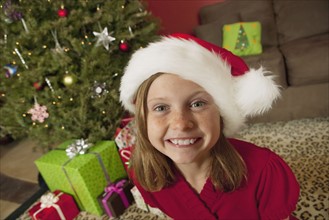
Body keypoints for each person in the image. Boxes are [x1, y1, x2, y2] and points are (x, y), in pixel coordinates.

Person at [119, 33, 300, 220]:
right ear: (143, 120)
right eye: (161, 108)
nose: (180, 124)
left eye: (197, 104)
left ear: (221, 115)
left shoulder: (265, 171)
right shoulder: (145, 176)